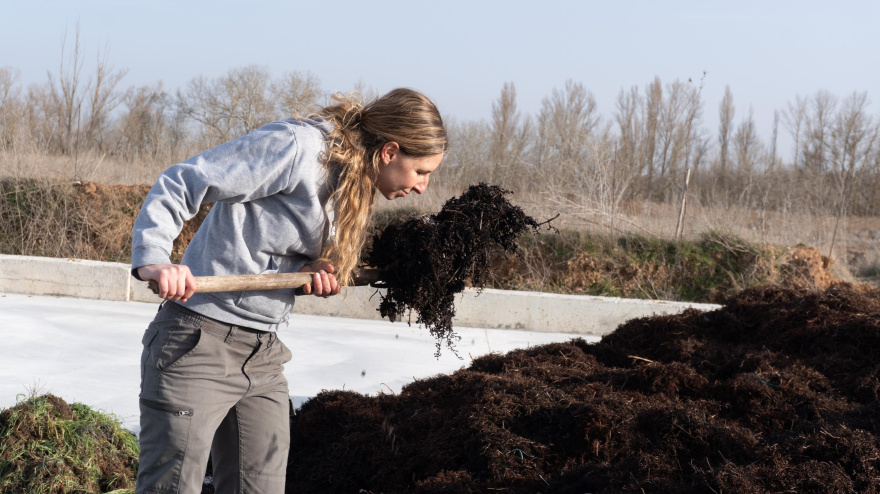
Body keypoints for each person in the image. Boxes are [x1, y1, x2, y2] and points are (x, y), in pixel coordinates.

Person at [131, 88, 447, 494]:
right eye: (422, 172)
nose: (423, 187)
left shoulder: (354, 184)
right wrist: (155, 258)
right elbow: (184, 180)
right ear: (389, 151)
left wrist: (308, 270)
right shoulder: (298, 148)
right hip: (197, 342)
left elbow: (272, 245)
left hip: (262, 355)